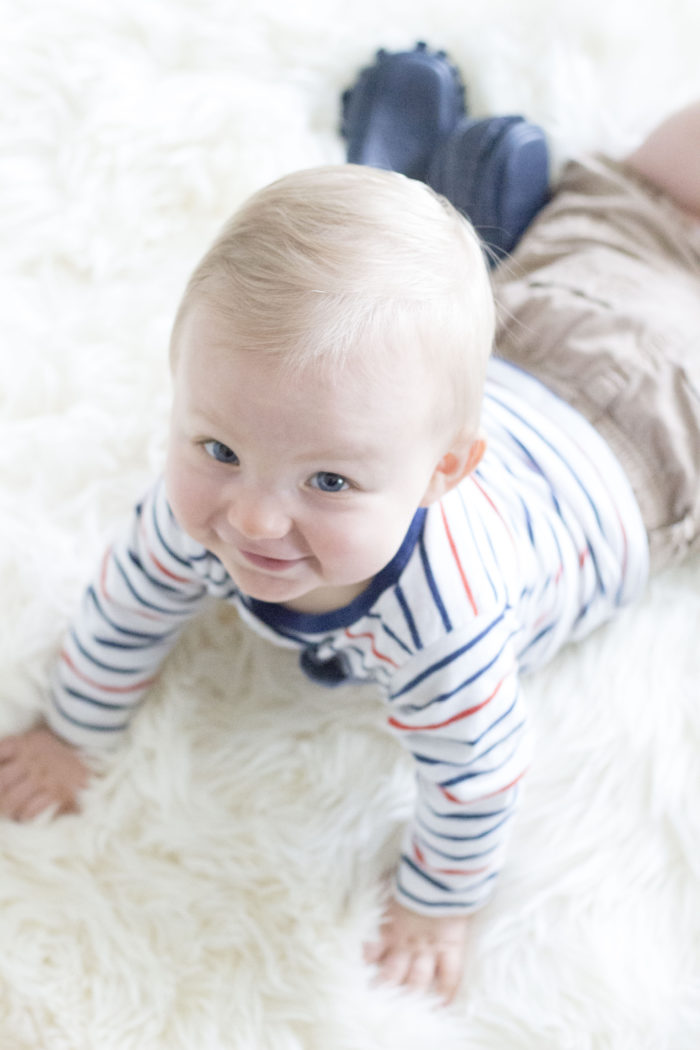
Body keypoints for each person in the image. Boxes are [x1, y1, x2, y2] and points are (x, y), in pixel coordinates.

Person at [0, 50, 699, 1004]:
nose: (252, 516)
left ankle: (456, 204)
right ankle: (457, 211)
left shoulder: (444, 625)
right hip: (529, 336)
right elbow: (130, 600)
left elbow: (477, 779)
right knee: (627, 211)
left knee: (654, 204)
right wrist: (73, 732)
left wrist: (436, 904)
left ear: (443, 473)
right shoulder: (203, 502)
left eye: (327, 479)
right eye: (215, 446)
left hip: (654, 447)